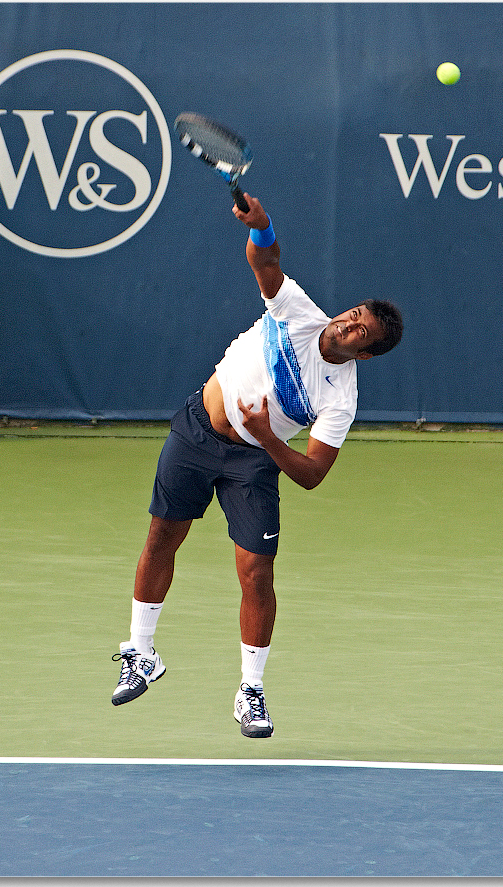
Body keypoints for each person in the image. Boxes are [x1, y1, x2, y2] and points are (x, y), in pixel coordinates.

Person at [111, 193, 403, 738]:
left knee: (257, 571)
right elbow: (265, 263)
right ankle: (142, 652)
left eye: (361, 331)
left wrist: (267, 436)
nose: (348, 324)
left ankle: (251, 690)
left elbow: (313, 473)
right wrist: (264, 225)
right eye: (354, 315)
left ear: (364, 354)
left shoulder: (340, 397)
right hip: (198, 429)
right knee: (160, 539)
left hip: (253, 461)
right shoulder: (297, 311)